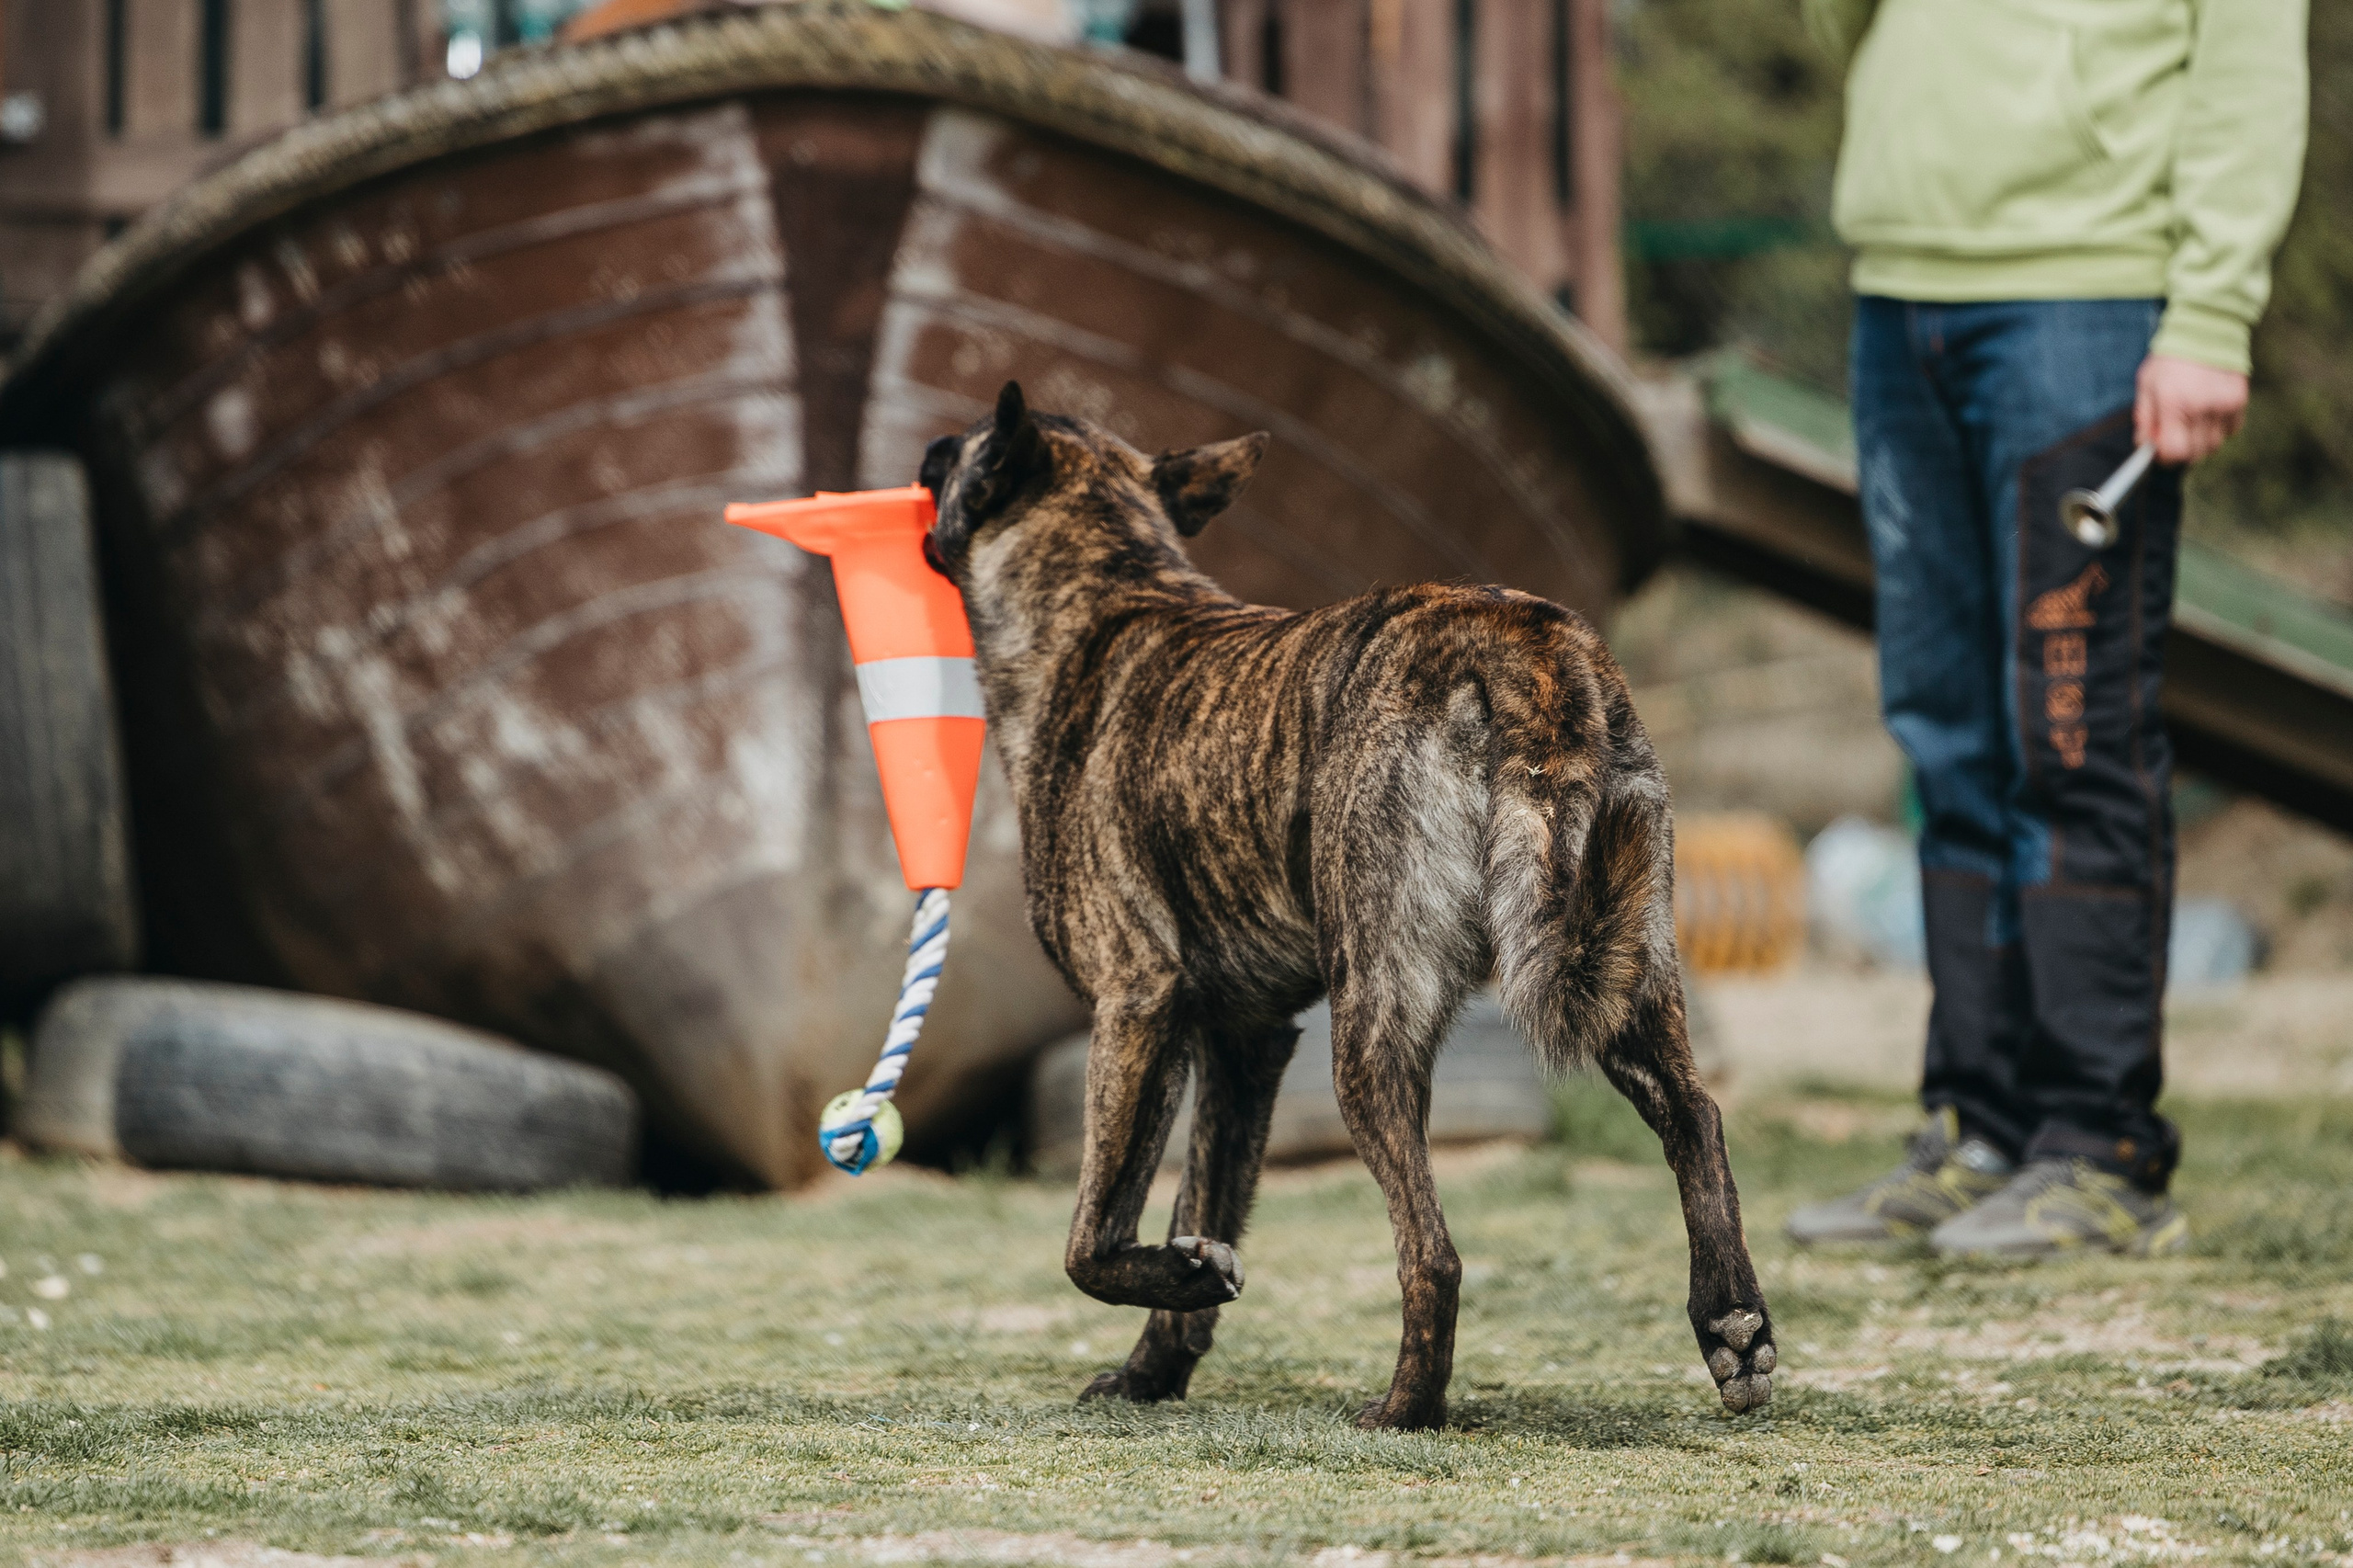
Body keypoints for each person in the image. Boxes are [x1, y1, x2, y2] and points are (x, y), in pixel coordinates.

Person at [1786, 0, 2309, 1257]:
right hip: (1903, 293)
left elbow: (2249, 56)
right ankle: (1981, 1124)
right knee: (1946, 731)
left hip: (2083, 299)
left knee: (2070, 730)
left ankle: (2100, 1145)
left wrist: (2212, 312)